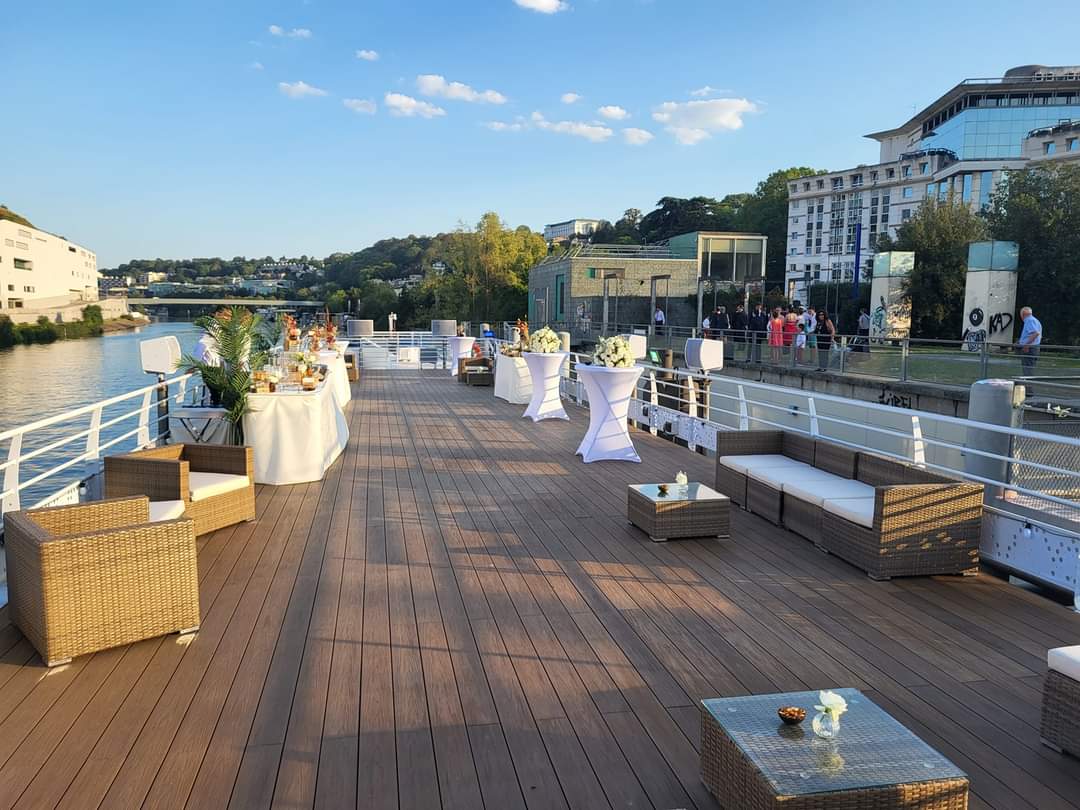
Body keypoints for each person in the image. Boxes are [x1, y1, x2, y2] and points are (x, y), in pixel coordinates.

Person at [1018, 306, 1042, 378]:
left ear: (1022, 314)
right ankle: (1028, 387)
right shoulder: (1036, 320)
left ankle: (1028, 388)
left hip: (1029, 349)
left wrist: (1026, 345)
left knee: (1027, 372)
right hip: (1034, 348)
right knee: (1029, 370)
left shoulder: (1029, 320)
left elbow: (1035, 333)